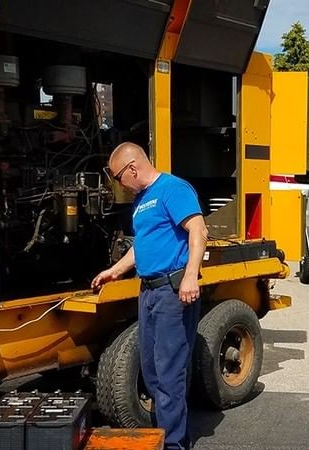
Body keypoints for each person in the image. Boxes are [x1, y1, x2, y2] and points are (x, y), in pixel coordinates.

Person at [92, 142, 208, 450]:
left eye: (118, 178)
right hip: (149, 292)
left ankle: (174, 444)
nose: (120, 185)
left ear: (132, 168)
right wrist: (115, 270)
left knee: (169, 373)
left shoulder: (173, 189)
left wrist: (190, 276)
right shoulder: (142, 199)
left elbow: (198, 230)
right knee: (153, 370)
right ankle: (161, 435)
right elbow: (141, 245)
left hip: (173, 291)